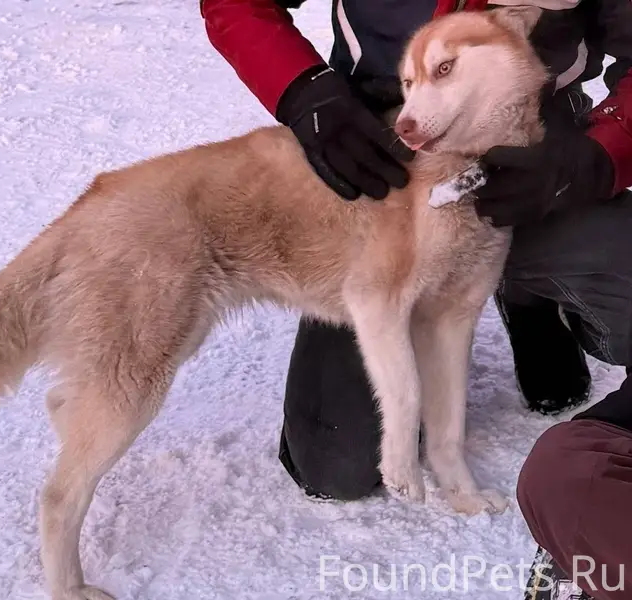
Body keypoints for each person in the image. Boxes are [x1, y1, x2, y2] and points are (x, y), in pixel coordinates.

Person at [201, 0, 632, 598]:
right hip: (378, 143)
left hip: (539, 146)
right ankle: (510, 284)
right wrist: (302, 91)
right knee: (337, 466)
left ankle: (531, 295)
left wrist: (601, 151)